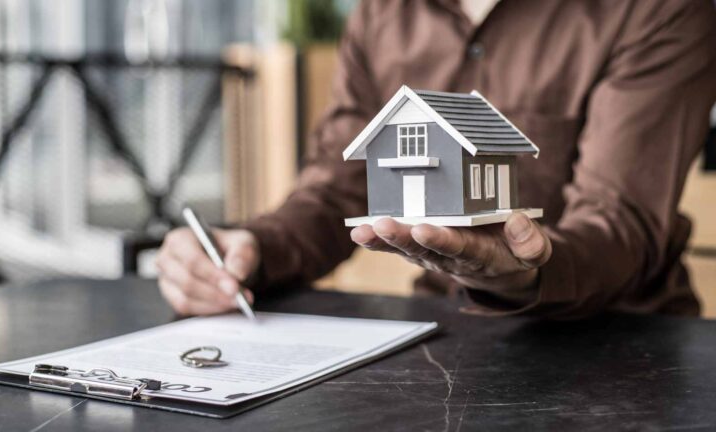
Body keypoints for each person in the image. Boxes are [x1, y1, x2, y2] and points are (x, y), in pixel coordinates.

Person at [156, 0, 716, 319]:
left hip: (625, 352)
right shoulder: (381, 12)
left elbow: (621, 219)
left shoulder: (658, 8)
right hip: (440, 344)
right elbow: (342, 186)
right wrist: (254, 247)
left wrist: (518, 272)